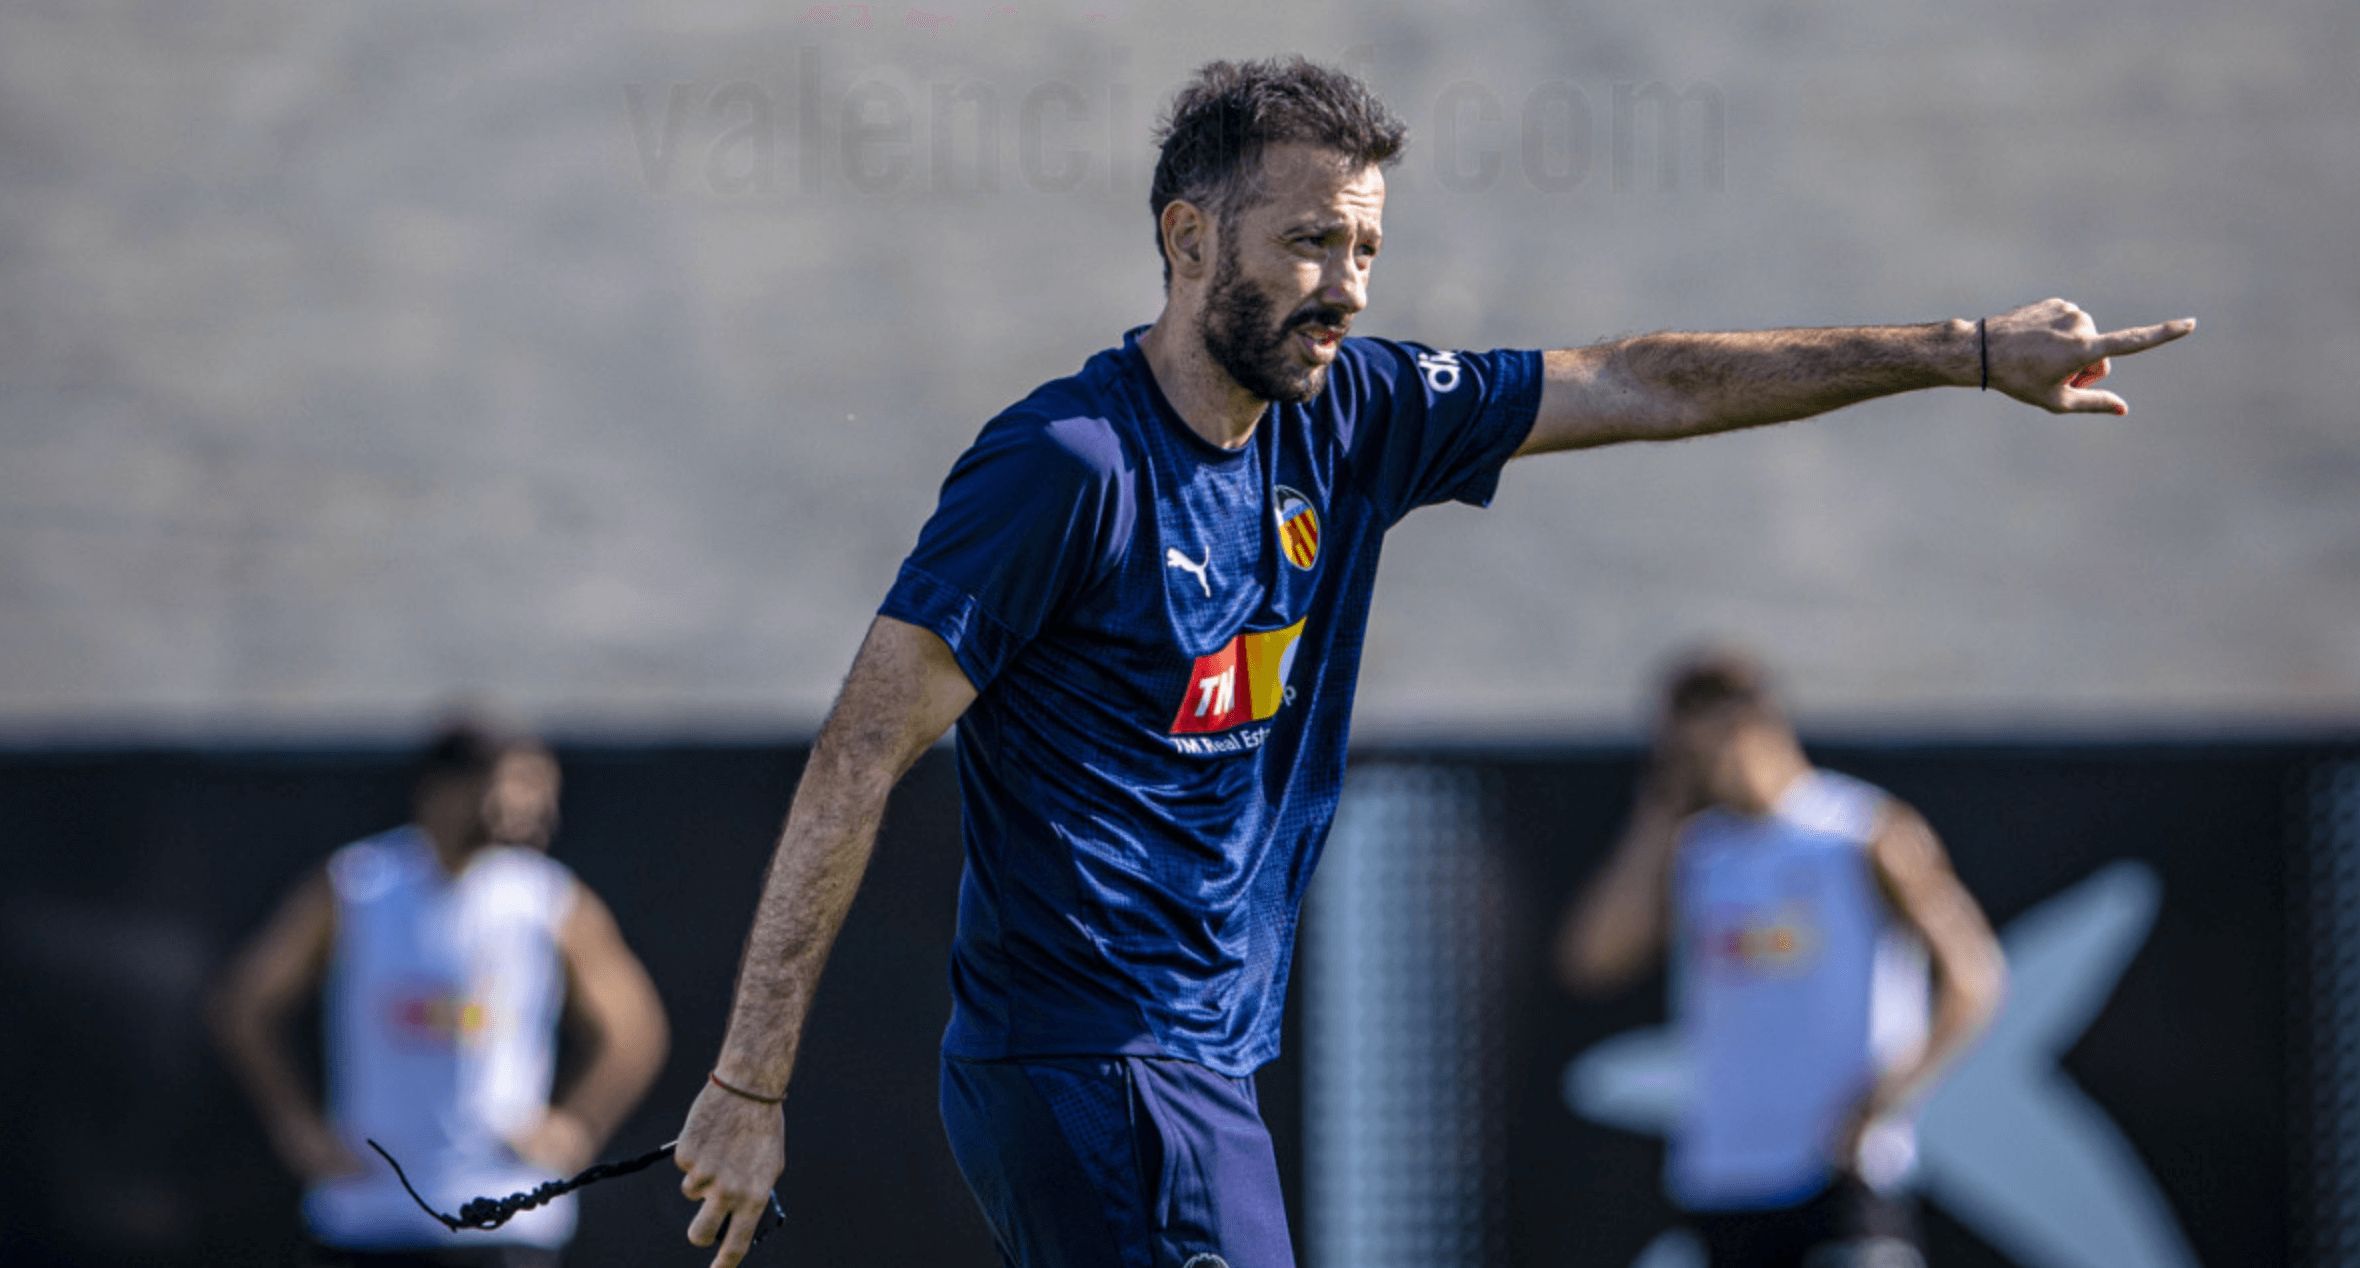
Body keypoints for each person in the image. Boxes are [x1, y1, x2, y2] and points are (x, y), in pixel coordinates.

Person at [669, 56, 2186, 1268]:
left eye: (1369, 246)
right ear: (1187, 240)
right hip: (1096, 1064)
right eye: (1310, 242)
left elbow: (1645, 383)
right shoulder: (1066, 466)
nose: (1349, 283)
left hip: (1177, 1069)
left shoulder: (1360, 414)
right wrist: (747, 1086)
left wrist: (1966, 353)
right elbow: (859, 750)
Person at [1554, 650, 2007, 1267]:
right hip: (1724, 1179)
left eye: (1702, 746)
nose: (1695, 765)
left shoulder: (1860, 831)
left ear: (1753, 725)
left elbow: (1974, 977)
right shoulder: (1696, 852)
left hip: (1838, 1178)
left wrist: (1887, 1096)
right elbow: (1594, 960)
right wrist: (1657, 813)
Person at [212, 720, 670, 1268]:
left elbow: (635, 1029)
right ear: (445, 790)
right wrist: (298, 1127)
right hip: (369, 1215)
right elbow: (243, 1007)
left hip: (504, 1215)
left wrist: (575, 1126)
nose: (535, 807)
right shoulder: (357, 886)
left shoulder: (548, 898)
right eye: (519, 785)